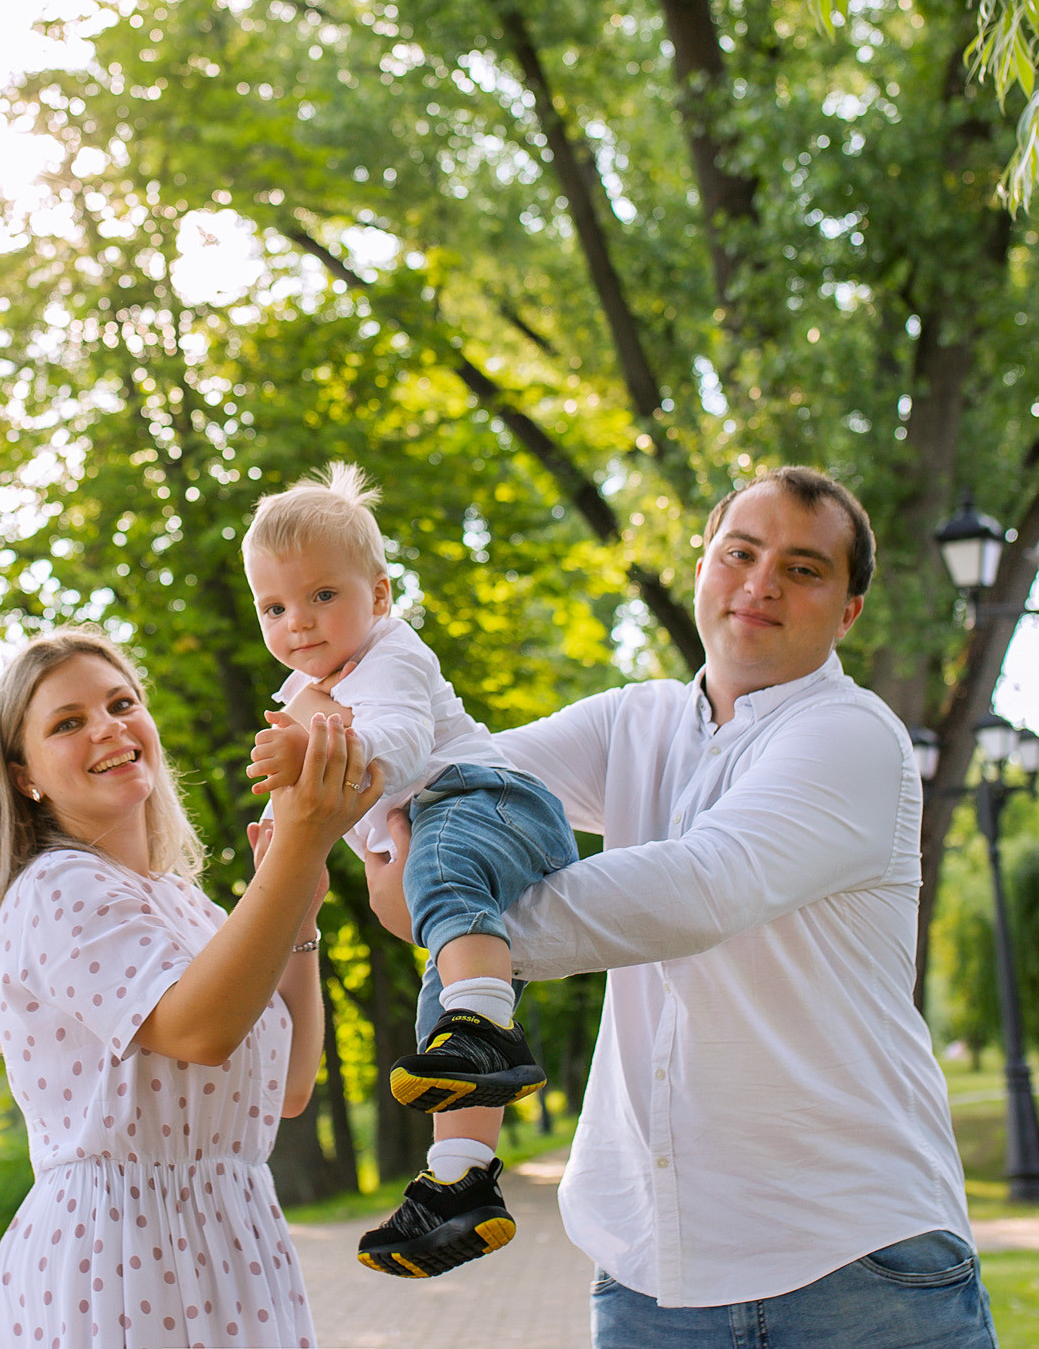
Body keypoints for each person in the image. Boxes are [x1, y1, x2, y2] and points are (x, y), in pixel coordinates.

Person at [399, 465, 993, 1346]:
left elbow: (700, 886)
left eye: (802, 568)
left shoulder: (853, 735)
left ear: (849, 611)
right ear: (703, 565)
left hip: (855, 1263)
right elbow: (460, 782)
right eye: (740, 553)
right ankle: (459, 1169)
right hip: (650, 1270)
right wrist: (383, 815)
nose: (761, 583)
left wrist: (461, 927)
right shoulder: (632, 722)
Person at [0, 627, 381, 1349]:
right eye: (68, 722)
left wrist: (300, 913)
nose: (108, 727)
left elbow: (290, 1087)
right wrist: (301, 843)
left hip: (232, 1244)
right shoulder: (57, 887)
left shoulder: (186, 904)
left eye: (121, 704)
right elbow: (198, 1032)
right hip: (120, 1260)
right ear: (24, 776)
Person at [240, 464, 578, 1280]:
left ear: (380, 596)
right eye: (274, 607)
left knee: (444, 879)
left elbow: (399, 741)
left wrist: (316, 749)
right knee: (439, 1006)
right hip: (433, 836)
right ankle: (461, 1180)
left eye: (322, 595)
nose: (298, 621)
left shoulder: (389, 656)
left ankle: (487, 1030)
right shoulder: (303, 689)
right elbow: (317, 805)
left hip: (489, 801)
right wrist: (287, 844)